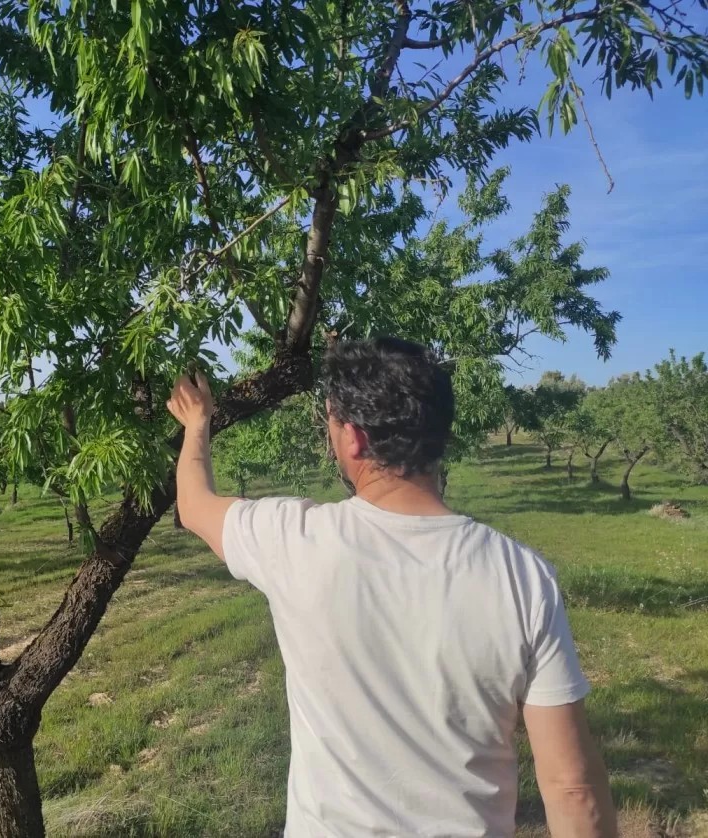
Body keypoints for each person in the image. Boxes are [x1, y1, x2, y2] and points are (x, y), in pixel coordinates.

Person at [166, 337, 617, 838]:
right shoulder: (523, 575)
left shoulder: (291, 539)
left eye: (331, 422)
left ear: (354, 438)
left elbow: (194, 504)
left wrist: (197, 425)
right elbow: (572, 788)